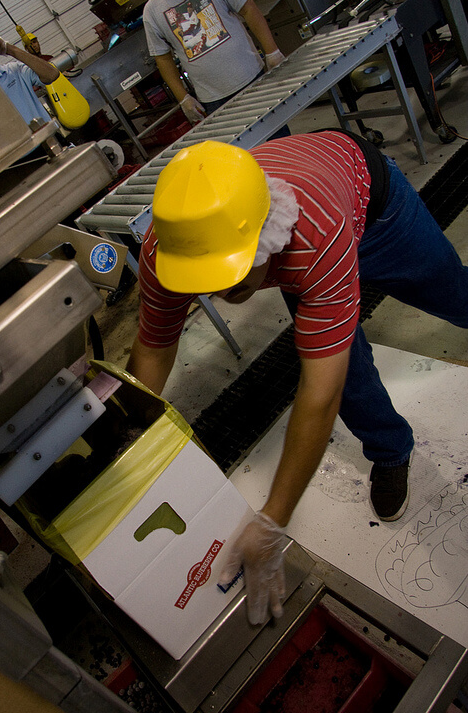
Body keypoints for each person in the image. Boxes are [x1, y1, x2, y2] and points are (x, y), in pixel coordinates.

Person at [125, 134, 468, 625]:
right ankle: (391, 449)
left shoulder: (310, 237)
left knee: (453, 295)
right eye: (204, 282)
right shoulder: (172, 249)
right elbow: (154, 347)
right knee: (348, 372)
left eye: (232, 278)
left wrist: (272, 519)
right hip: (300, 238)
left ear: (266, 233)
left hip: (374, 211)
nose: (220, 294)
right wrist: (131, 424)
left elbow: (317, 397)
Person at [137, 0, 289, 132]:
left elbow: (248, 9)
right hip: (215, 99)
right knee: (242, 157)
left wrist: (272, 52)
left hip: (252, 78)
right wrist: (184, 99)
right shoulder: (152, 11)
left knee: (281, 142)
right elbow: (163, 58)